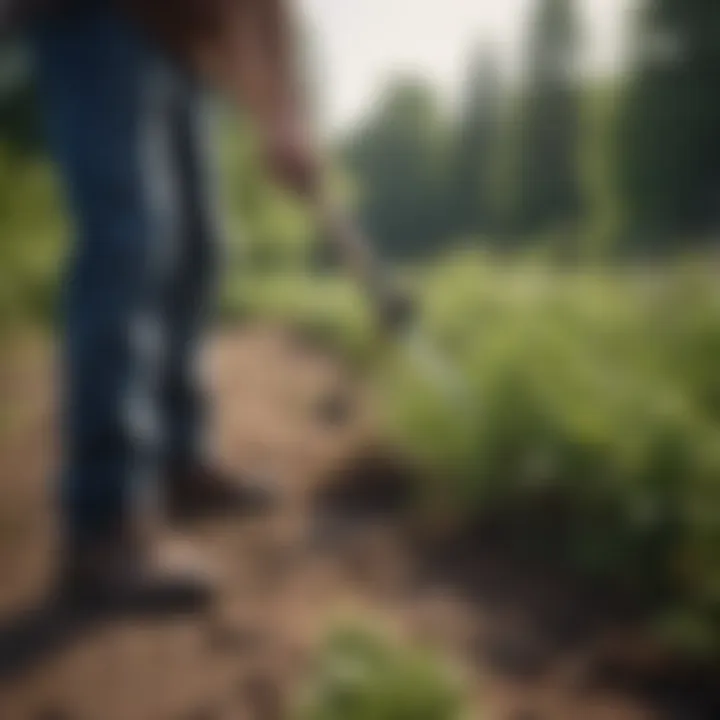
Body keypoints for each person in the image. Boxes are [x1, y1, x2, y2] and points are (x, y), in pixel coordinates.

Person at [12, 0, 319, 609]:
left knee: (199, 246)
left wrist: (280, 117)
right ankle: (106, 517)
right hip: (91, 20)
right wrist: (279, 118)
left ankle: (178, 458)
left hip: (174, 42)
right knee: (130, 237)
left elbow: (260, 17)